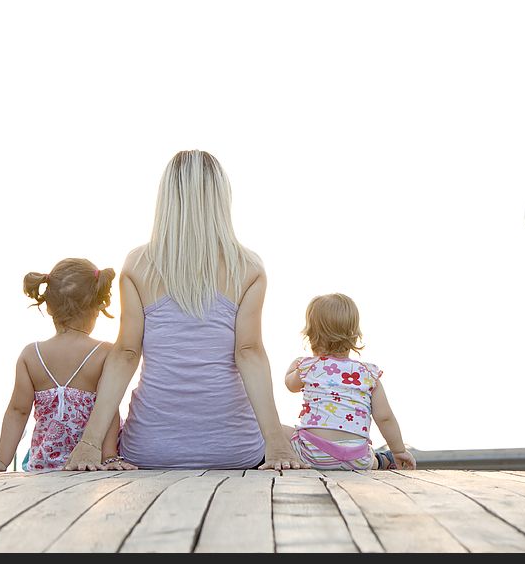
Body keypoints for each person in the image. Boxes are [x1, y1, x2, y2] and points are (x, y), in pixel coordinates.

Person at [63, 150, 305, 471]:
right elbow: (249, 353)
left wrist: (89, 444)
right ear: (221, 198)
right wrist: (276, 445)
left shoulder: (138, 265)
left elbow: (125, 354)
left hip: (149, 448)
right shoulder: (249, 268)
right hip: (235, 450)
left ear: (167, 199)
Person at [0, 259, 123, 472]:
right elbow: (109, 408)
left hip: (42, 467)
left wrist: (1, 461)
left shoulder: (31, 355)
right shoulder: (105, 353)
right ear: (97, 306)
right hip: (88, 466)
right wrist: (110, 457)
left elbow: (18, 411)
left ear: (48, 307)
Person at [284, 293, 416, 470]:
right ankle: (382, 460)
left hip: (313, 454)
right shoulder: (368, 373)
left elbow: (290, 385)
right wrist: (399, 450)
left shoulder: (307, 367)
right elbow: (384, 417)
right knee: (368, 457)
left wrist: (295, 367)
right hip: (358, 458)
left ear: (310, 334)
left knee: (276, 430)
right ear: (354, 334)